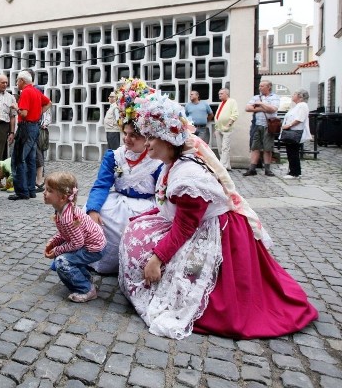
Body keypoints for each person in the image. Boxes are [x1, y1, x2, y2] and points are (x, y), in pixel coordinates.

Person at [119, 93, 318, 340]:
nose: (146, 143)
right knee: (138, 234)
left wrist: (157, 259)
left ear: (169, 141)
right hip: (197, 225)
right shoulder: (174, 166)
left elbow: (185, 227)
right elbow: (169, 206)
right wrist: (143, 218)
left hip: (218, 234)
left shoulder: (188, 177)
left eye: (152, 138)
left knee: (199, 290)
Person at [85, 118, 162, 274]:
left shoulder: (157, 161)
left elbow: (163, 193)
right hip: (117, 201)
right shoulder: (115, 156)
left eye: (133, 135)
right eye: (125, 133)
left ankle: (127, 266)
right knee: (92, 216)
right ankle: (92, 260)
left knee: (133, 226)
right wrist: (93, 210)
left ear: (147, 137)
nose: (127, 139)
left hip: (145, 205)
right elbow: (101, 184)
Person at [43, 171, 107, 303]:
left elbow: (77, 243)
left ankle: (86, 289)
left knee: (61, 262)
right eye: (45, 189)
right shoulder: (62, 209)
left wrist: (57, 251)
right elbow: (65, 233)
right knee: (66, 259)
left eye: (49, 190)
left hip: (94, 248)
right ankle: (85, 279)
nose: (44, 193)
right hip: (90, 244)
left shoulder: (67, 217)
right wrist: (54, 242)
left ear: (62, 197)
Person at [9, 70, 51, 201]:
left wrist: (15, 107)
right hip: (34, 127)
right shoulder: (36, 91)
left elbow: (24, 114)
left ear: (22, 81)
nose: (16, 83)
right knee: (31, 159)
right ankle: (31, 190)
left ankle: (22, 191)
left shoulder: (26, 92)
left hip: (25, 128)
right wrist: (38, 114)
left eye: (17, 80)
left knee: (18, 159)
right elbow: (49, 102)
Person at [244, 80, 280, 176]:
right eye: (259, 86)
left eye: (262, 86)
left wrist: (260, 104)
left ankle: (267, 169)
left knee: (267, 148)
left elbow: (273, 109)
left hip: (268, 126)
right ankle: (252, 169)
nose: (260, 87)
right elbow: (247, 108)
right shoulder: (256, 97)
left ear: (269, 87)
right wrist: (263, 107)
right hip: (257, 125)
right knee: (255, 147)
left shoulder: (274, 97)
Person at [281, 89, 312, 179]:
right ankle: (293, 170)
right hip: (292, 130)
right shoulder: (297, 106)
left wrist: (289, 125)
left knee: (293, 151)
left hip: (295, 131)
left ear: (300, 96)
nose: (292, 95)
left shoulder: (302, 106)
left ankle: (295, 172)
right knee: (291, 151)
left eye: (294, 94)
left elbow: (299, 119)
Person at [213, 88, 239, 170]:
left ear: (227, 94)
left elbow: (235, 114)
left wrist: (229, 124)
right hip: (219, 128)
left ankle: (222, 166)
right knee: (220, 148)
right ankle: (227, 165)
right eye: (219, 94)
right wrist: (216, 129)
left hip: (227, 128)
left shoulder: (232, 101)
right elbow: (218, 116)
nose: (219, 95)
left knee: (225, 147)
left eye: (221, 94)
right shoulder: (221, 103)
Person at [0, 74, 18, 161]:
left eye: (6, 83)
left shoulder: (10, 97)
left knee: (1, 151)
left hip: (3, 126)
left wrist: (12, 132)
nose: (5, 84)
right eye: (2, 82)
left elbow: (12, 116)